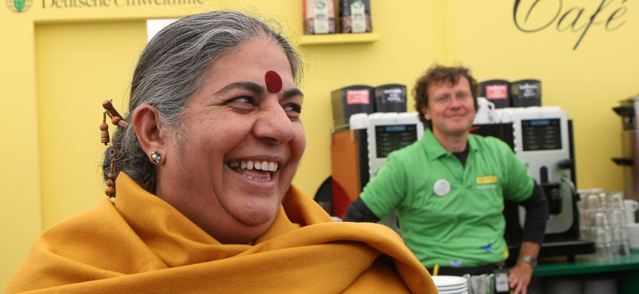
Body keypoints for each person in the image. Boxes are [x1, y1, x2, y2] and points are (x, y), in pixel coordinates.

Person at [5, 11, 437, 294]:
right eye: (243, 101)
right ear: (154, 132)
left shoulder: (357, 271)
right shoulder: (66, 273)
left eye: (292, 108)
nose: (281, 128)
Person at [344, 65, 549, 294]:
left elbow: (537, 203)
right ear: (427, 111)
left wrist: (526, 263)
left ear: (474, 104)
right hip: (432, 284)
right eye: (443, 98)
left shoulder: (498, 153)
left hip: (494, 283)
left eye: (462, 95)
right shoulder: (404, 164)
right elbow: (356, 221)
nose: (455, 104)